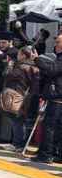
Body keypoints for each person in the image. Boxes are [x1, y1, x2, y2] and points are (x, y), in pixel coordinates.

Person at [2, 46, 40, 151]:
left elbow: (7, 75)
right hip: (28, 96)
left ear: (23, 55)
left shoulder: (21, 67)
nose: (17, 56)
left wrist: (9, 66)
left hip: (17, 94)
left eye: (19, 54)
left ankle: (18, 144)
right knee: (22, 120)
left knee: (16, 120)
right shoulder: (35, 67)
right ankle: (20, 143)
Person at [33, 34, 62, 163]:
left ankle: (46, 154)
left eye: (58, 42)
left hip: (57, 97)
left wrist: (37, 60)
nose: (56, 45)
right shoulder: (58, 57)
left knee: (49, 126)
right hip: (57, 96)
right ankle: (55, 153)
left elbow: (52, 70)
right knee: (57, 127)